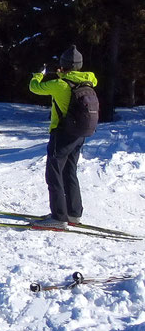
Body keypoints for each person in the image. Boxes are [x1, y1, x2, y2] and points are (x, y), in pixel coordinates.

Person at [28, 45, 98, 229]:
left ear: (63, 65)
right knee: (70, 172)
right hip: (79, 134)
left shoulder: (60, 85)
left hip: (62, 133)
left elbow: (35, 88)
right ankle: (73, 214)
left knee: (54, 174)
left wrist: (38, 74)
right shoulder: (88, 81)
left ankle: (59, 217)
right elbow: (70, 82)